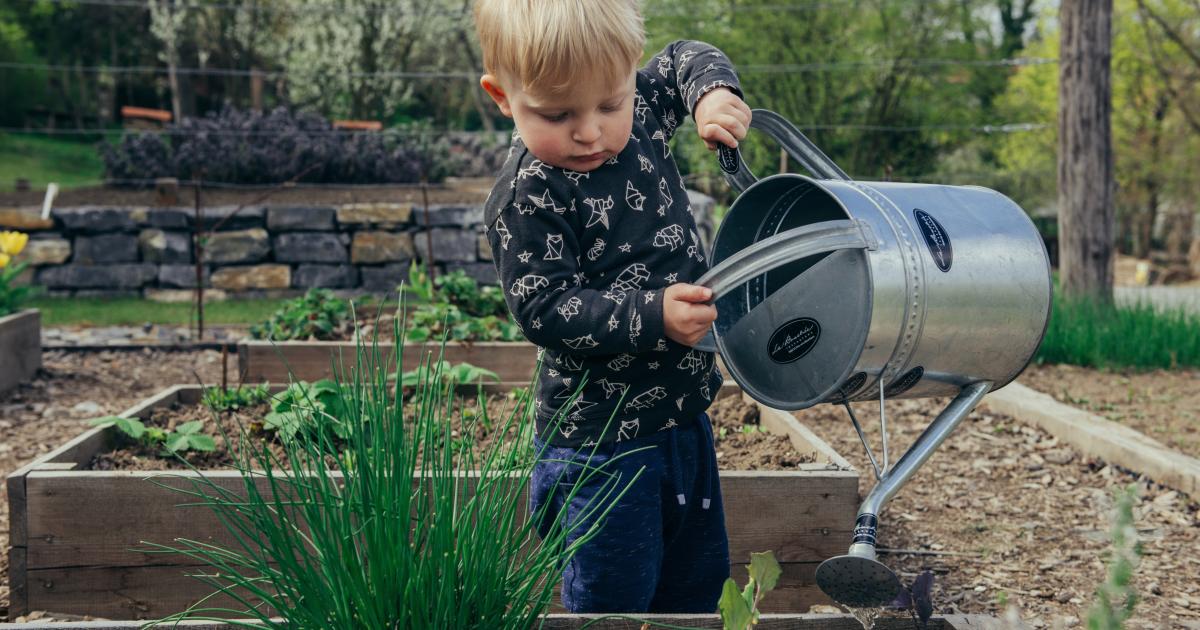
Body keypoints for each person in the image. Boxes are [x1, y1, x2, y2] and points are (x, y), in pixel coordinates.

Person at [473, 0, 751, 614]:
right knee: (615, 603)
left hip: (685, 423)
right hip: (601, 447)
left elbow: (684, 58)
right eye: (557, 113)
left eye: (610, 104)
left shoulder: (643, 110)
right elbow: (544, 307)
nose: (590, 131)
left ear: (628, 79)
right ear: (502, 96)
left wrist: (710, 95)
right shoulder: (529, 195)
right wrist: (653, 316)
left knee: (696, 589)